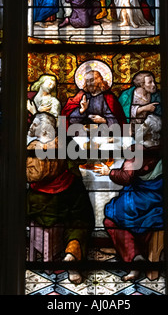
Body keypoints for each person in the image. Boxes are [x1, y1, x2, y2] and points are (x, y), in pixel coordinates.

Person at [26, 112, 95, 284]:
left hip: (39, 205)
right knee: (82, 219)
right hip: (68, 198)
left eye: (33, 125)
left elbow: (29, 176)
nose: (31, 128)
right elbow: (82, 157)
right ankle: (72, 254)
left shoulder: (29, 148)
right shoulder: (64, 141)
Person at [95, 114, 163, 281]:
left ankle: (134, 258)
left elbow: (126, 177)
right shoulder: (164, 147)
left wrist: (109, 172)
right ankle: (138, 255)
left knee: (111, 216)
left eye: (145, 125)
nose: (141, 127)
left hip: (141, 199)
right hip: (160, 199)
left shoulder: (138, 151)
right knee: (143, 221)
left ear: (149, 132)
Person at [61, 62, 126, 128]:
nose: (89, 84)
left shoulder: (108, 98)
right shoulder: (82, 96)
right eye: (87, 81)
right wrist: (81, 110)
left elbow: (118, 121)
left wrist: (103, 120)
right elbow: (71, 120)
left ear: (99, 80)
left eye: (92, 80)